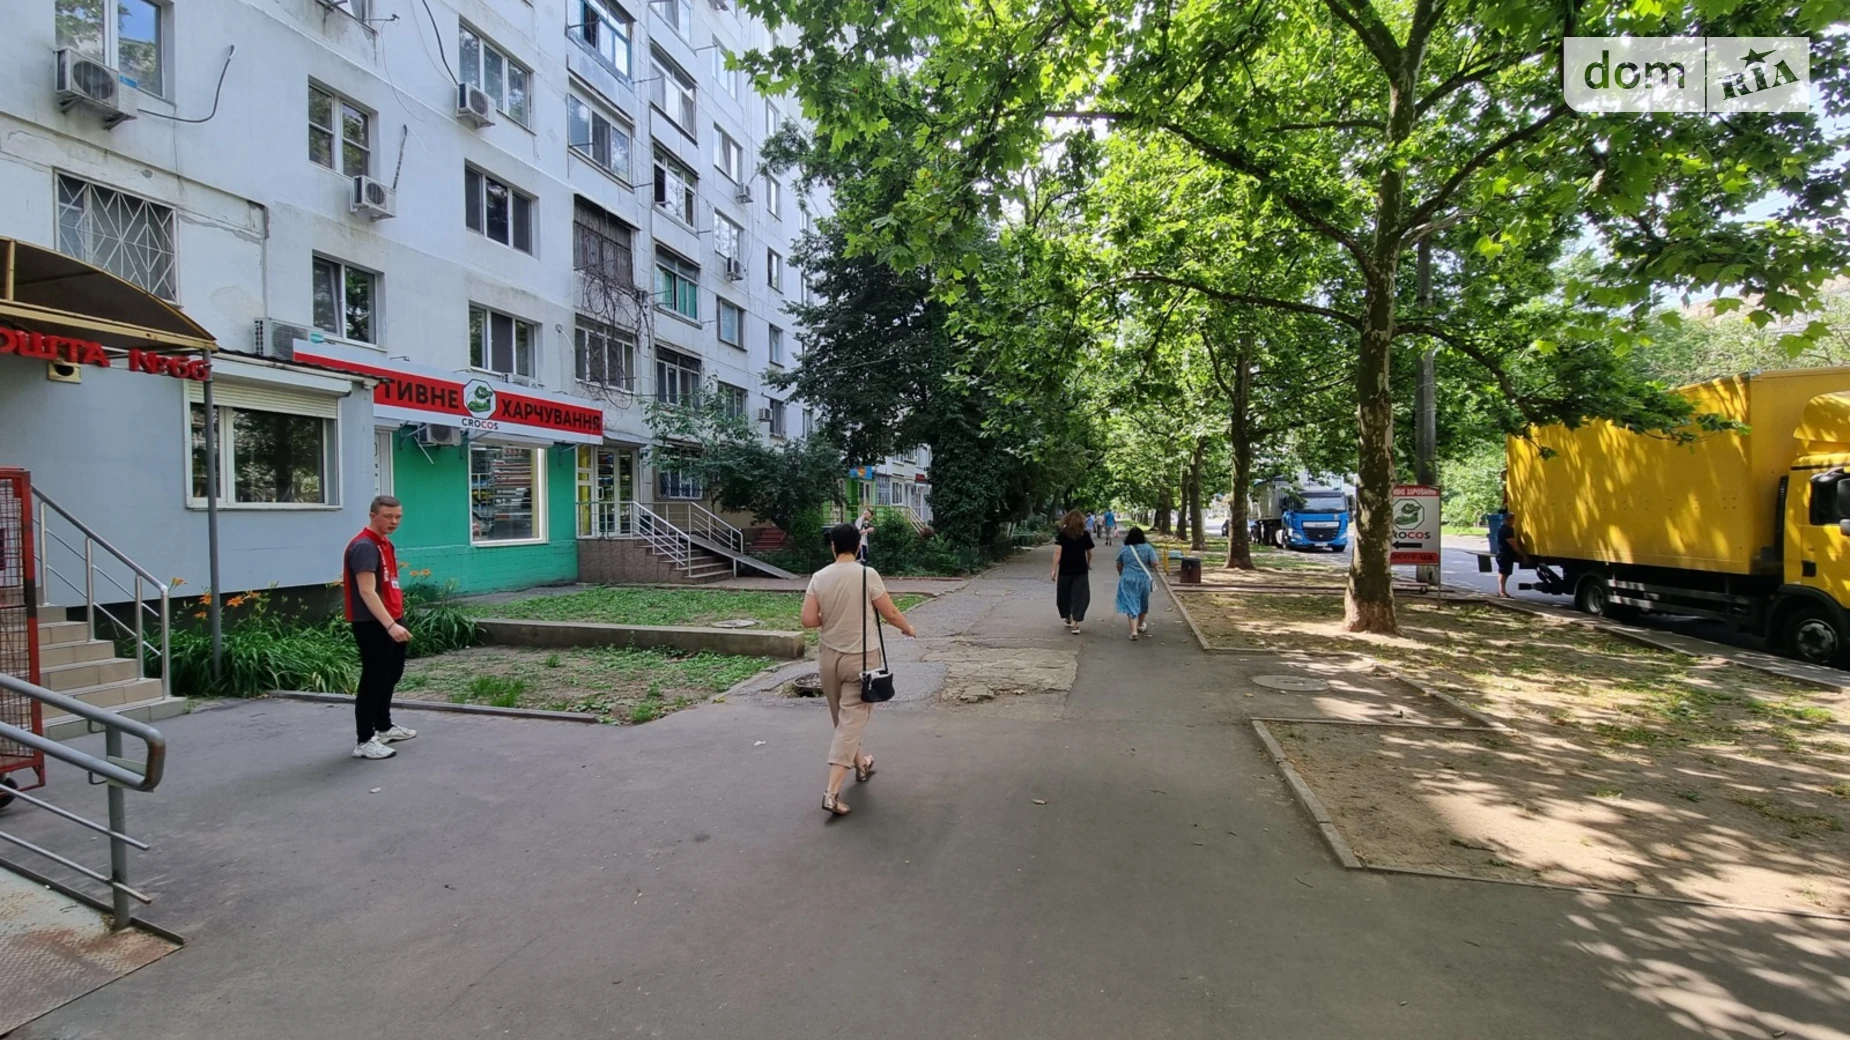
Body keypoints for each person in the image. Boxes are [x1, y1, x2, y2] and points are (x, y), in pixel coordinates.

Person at [802, 523, 918, 817]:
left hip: (829, 658)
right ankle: (831, 793)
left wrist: (830, 617)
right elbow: (889, 612)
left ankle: (861, 764)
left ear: (833, 547)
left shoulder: (819, 577)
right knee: (851, 722)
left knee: (843, 721)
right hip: (861, 659)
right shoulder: (868, 574)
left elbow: (809, 620)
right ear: (857, 546)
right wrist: (907, 628)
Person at [344, 495, 417, 760]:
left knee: (391, 674)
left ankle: (383, 727)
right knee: (373, 679)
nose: (394, 521)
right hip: (373, 623)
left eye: (398, 517)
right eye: (388, 516)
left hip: (392, 618)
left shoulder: (384, 543)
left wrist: (397, 619)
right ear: (373, 515)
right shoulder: (364, 546)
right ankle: (364, 740)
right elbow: (366, 590)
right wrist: (389, 625)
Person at [1050, 509, 1096, 634]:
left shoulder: (1062, 535)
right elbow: (1090, 552)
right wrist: (1088, 563)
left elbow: (1057, 553)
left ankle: (1067, 616)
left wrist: (1054, 569)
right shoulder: (1085, 534)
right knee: (1080, 595)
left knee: (1064, 594)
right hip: (1081, 569)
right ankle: (1076, 623)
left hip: (1065, 570)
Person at [1116, 527, 1160, 641]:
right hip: (1144, 578)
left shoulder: (1124, 548)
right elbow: (1155, 562)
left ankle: (1134, 631)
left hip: (1128, 578)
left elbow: (1119, 563)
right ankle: (1140, 625)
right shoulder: (1148, 547)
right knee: (1143, 601)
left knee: (1131, 602)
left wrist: (1121, 574)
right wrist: (1151, 566)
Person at [1494, 513, 1530, 598]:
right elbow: (1514, 545)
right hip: (1504, 555)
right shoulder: (1505, 530)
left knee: (1505, 573)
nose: (1512, 520)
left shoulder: (1507, 529)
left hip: (1505, 554)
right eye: (1510, 519)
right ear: (1506, 520)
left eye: (1512, 518)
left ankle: (1502, 591)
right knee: (1504, 573)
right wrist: (1523, 555)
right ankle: (1502, 591)